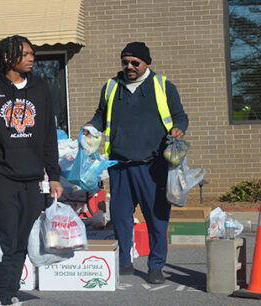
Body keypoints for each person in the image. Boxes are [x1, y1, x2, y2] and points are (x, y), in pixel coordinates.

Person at [0, 35, 63, 306]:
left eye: (33, 53)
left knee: (21, 241)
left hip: (32, 179)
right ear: (9, 57)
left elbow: (48, 136)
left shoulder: (41, 88)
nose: (33, 58)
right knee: (5, 239)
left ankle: (11, 292)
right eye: (27, 54)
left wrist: (53, 175)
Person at [84, 42, 188, 284]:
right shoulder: (111, 86)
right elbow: (101, 114)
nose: (128, 66)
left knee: (156, 217)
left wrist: (179, 128)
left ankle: (155, 266)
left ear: (146, 63)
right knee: (120, 217)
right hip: (119, 165)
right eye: (125, 62)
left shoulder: (163, 86)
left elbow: (180, 116)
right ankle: (125, 262)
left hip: (153, 166)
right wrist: (91, 127)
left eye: (134, 62)